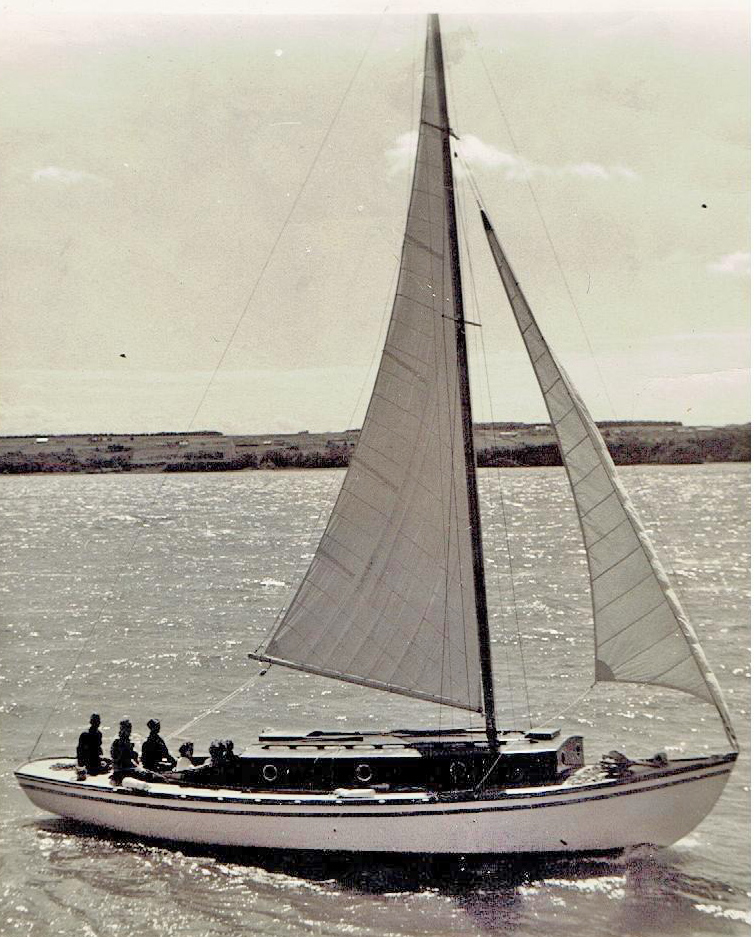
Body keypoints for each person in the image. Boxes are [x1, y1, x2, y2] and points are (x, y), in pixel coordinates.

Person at [110, 719, 139, 784]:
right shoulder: (117, 742)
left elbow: (133, 759)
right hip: (122, 770)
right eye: (127, 729)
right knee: (146, 774)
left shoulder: (127, 741)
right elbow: (116, 759)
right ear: (122, 729)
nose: (129, 731)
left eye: (130, 729)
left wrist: (134, 754)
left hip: (129, 768)